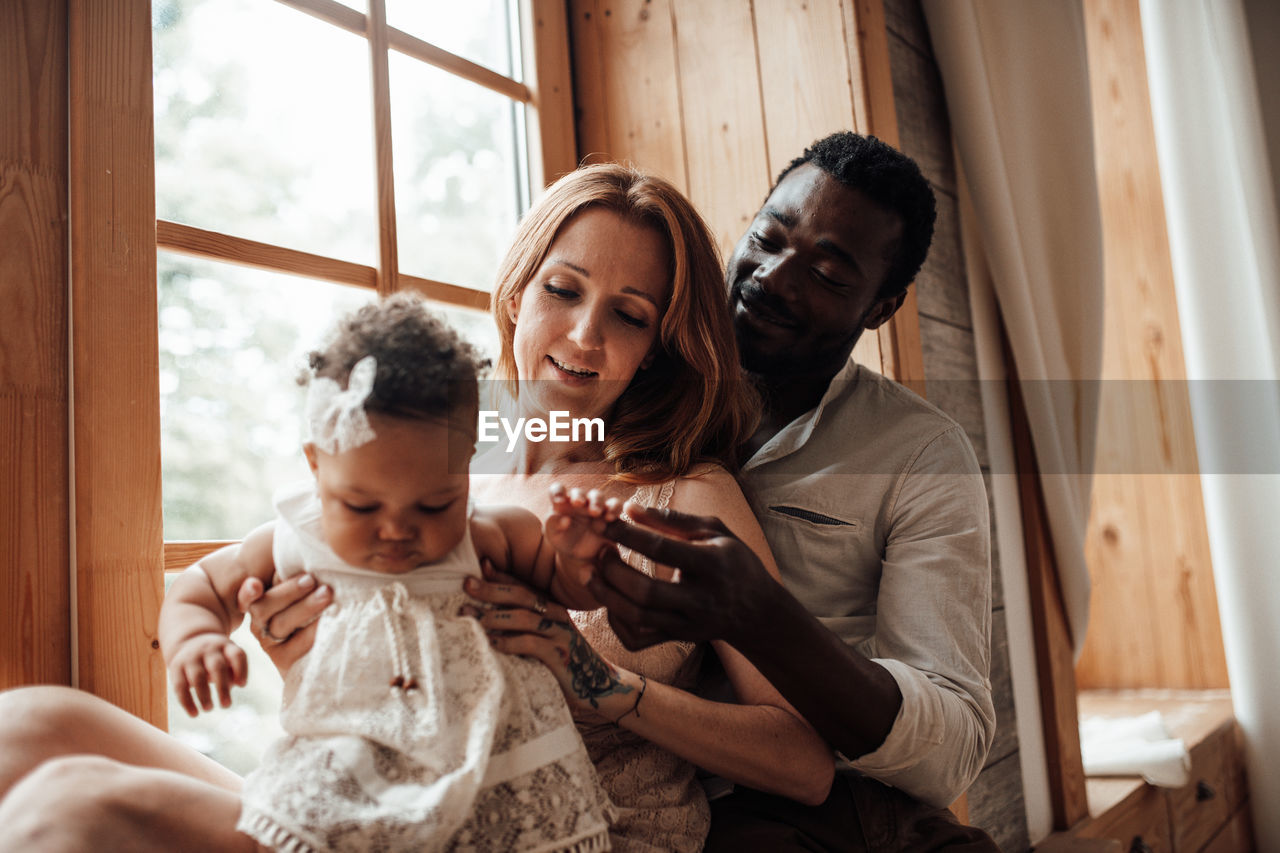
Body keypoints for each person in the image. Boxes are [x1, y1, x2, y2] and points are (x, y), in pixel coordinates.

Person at [0, 164, 833, 852]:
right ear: (517, 291)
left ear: (659, 347)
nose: (583, 335)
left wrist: (597, 681)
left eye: (628, 314)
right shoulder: (436, 457)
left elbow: (804, 762)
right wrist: (306, 656)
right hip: (385, 792)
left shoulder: (684, 495)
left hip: (560, 826)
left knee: (73, 811)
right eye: (563, 289)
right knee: (29, 724)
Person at [577, 132, 1001, 850]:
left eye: (830, 274)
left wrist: (766, 619)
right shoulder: (626, 392)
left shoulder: (920, 456)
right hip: (676, 798)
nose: (774, 277)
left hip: (850, 807)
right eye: (768, 237)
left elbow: (952, 745)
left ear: (881, 307)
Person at [161, 293, 616, 851]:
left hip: (500, 772)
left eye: (433, 506)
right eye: (361, 507)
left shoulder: (491, 533)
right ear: (316, 464)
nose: (397, 530)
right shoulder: (296, 537)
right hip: (351, 767)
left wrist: (581, 554)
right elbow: (204, 585)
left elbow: (572, 590)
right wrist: (198, 639)